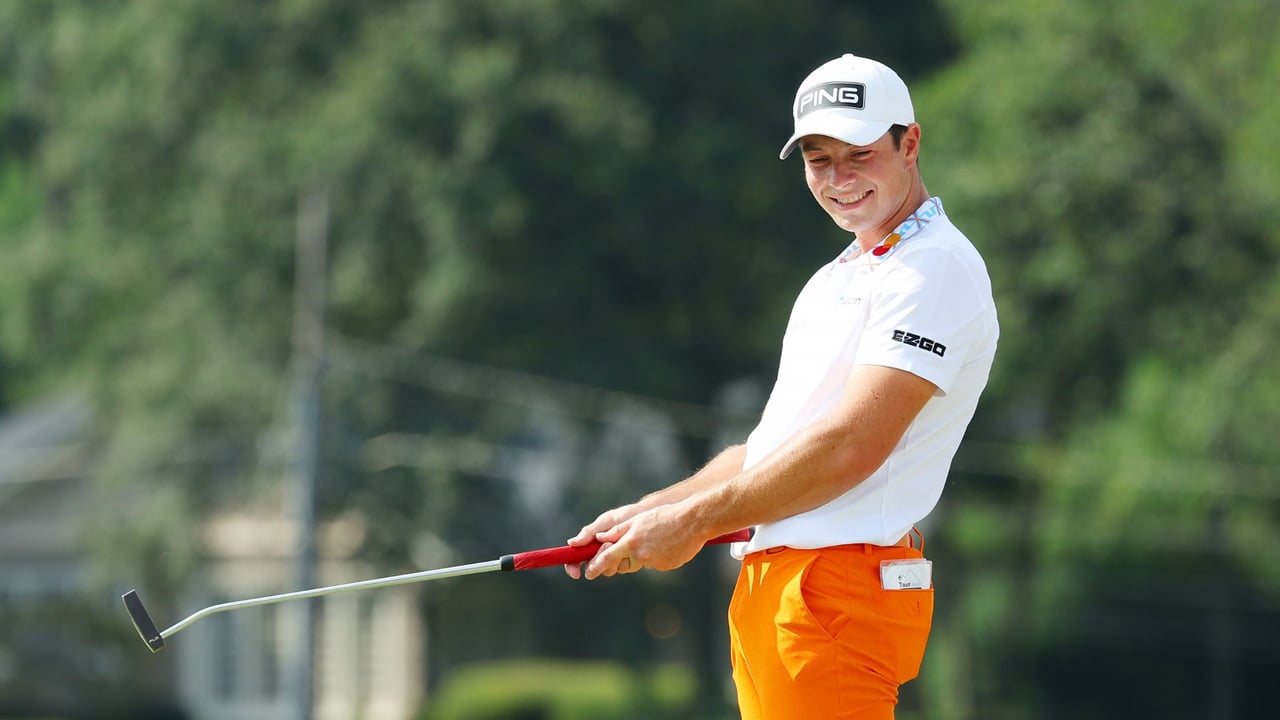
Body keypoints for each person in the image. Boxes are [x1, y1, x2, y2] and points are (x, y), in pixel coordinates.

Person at [565, 52, 999, 719]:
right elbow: (771, 450)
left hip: (838, 588)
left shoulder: (933, 267)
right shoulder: (838, 277)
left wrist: (694, 523)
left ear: (910, 144)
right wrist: (654, 511)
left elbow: (851, 445)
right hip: (779, 587)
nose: (839, 179)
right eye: (819, 160)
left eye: (859, 154)